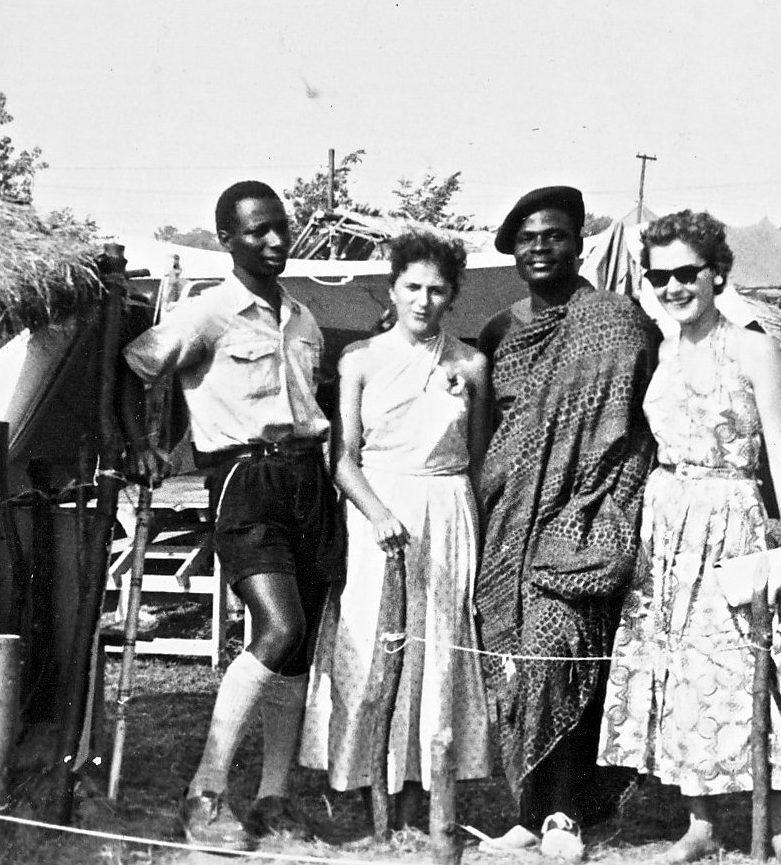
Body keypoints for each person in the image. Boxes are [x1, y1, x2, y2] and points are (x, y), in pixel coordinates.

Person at [124, 180, 343, 851]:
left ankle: (274, 797)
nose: (275, 240)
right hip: (245, 481)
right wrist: (144, 447)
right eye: (257, 231)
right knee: (278, 628)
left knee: (300, 647)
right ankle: (206, 793)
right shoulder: (204, 315)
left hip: (309, 481)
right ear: (226, 240)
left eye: (281, 227)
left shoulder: (305, 319)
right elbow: (132, 368)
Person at [597, 210, 781, 864]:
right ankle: (699, 824)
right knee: (675, 669)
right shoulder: (654, 351)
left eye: (685, 272)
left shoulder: (755, 348)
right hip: (664, 526)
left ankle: (779, 820)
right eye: (657, 275)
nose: (671, 287)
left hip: (732, 519)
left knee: (747, 666)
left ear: (717, 273)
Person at [474, 186, 660, 861]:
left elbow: (640, 423)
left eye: (553, 235)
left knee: (563, 647)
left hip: (586, 512)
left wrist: (609, 502)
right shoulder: (499, 329)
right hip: (510, 520)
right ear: (513, 252)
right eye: (527, 239)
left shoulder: (617, 321)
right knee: (516, 662)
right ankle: (529, 809)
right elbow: (492, 432)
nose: (540, 247)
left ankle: (564, 813)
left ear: (580, 242)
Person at [299, 230, 493, 826]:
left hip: (447, 508)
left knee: (436, 646)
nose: (423, 300)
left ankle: (420, 791)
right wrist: (378, 513)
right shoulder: (360, 360)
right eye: (412, 287)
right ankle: (357, 787)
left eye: (437, 291)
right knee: (370, 640)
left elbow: (481, 456)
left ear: (453, 296)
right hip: (377, 507)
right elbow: (342, 457)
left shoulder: (471, 363)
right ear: (393, 287)